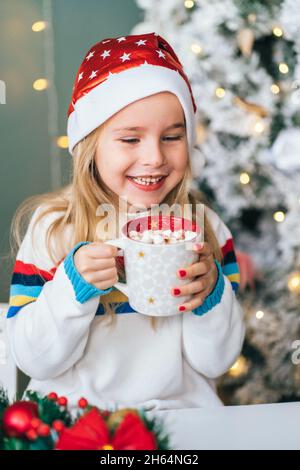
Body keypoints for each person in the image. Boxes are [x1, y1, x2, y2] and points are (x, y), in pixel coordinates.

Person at [6, 32, 245, 411]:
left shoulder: (207, 230)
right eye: (130, 139)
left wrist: (209, 293)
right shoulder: (55, 229)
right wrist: (73, 287)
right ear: (90, 144)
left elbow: (216, 362)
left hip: (181, 421)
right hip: (78, 422)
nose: (154, 157)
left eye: (171, 136)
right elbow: (34, 359)